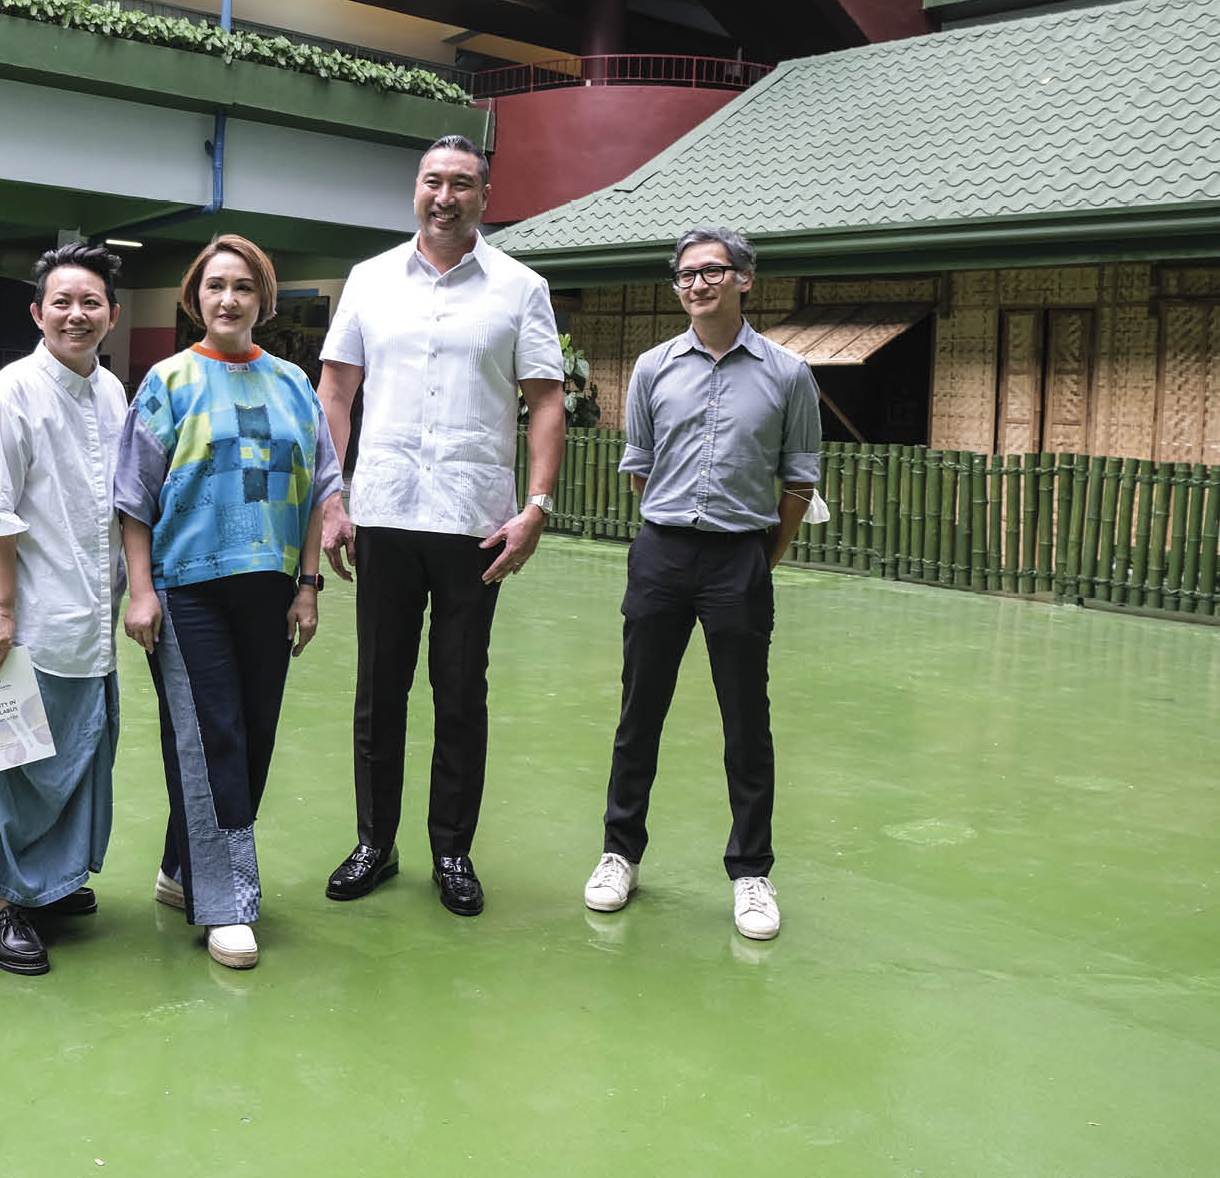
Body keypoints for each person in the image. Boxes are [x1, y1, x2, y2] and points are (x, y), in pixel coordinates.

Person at [315, 134, 565, 917]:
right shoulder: (369, 280)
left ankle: (451, 850)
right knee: (378, 690)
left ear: (484, 196)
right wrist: (330, 498)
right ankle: (374, 843)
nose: (444, 197)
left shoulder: (520, 287)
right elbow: (335, 392)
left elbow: (545, 400)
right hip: (383, 514)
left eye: (461, 183)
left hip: (474, 525)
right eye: (432, 181)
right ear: (415, 189)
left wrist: (536, 506)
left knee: (459, 692)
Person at [581, 228, 821, 942]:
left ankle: (751, 872)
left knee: (746, 719)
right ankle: (619, 854)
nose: (697, 284)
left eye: (712, 271)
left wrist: (761, 557)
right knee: (639, 711)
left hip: (739, 558)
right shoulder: (652, 368)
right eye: (685, 274)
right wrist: (672, 524)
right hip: (661, 552)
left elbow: (798, 479)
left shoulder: (788, 374)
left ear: (744, 279)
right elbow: (639, 467)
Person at [115, 234, 342, 970]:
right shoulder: (168, 382)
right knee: (209, 736)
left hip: (270, 589)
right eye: (215, 285)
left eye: (243, 286)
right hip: (187, 589)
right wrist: (141, 591)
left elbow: (317, 489)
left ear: (263, 299)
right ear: (195, 296)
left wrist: (307, 585)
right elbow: (133, 499)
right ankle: (227, 905)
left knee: (252, 738)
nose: (228, 299)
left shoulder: (293, 384)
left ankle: (180, 868)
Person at [0, 243, 127, 977]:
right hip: (9, 620)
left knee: (71, 757)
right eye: (61, 302)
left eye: (90, 302)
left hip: (81, 617)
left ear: (112, 315)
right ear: (38, 314)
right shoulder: (11, 393)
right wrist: (2, 608)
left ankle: (44, 885)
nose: (76, 314)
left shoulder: (112, 393)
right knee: (6, 767)